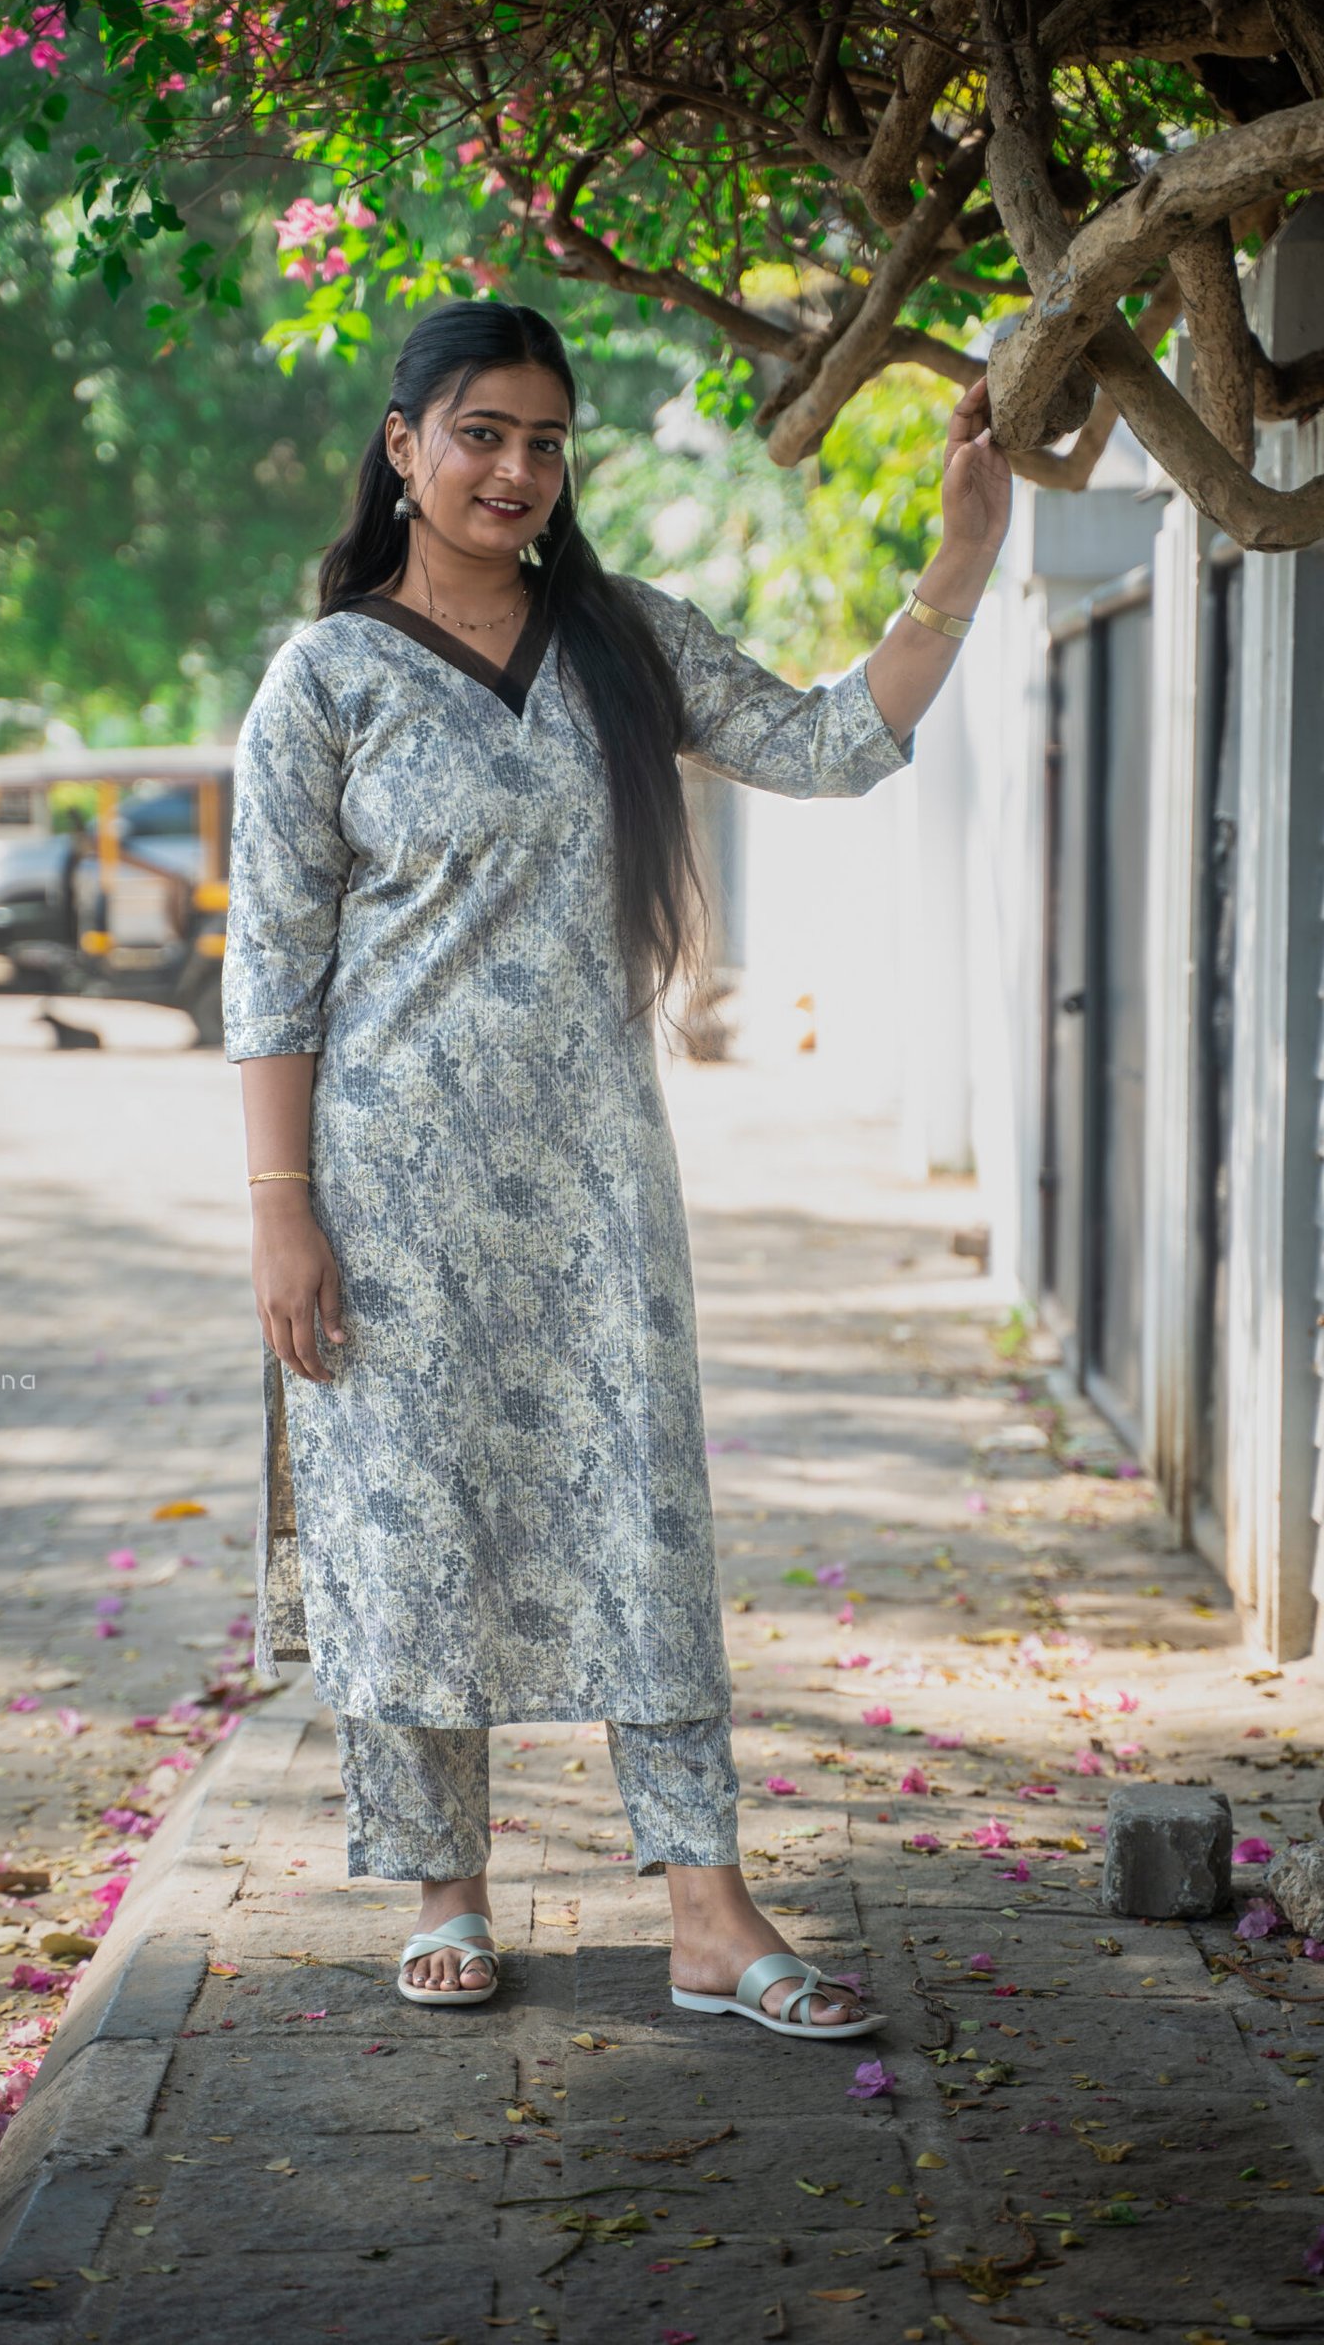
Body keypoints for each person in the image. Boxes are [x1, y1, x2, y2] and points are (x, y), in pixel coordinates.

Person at [224, 300, 1010, 2038]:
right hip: (387, 1190)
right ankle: (442, 1891)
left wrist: (958, 562)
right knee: (412, 1518)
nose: (516, 470)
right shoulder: (327, 679)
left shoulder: (623, 641)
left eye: (546, 441)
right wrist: (282, 1214)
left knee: (644, 1515)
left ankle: (708, 1915)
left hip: (595, 1184)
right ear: (405, 446)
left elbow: (826, 743)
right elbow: (270, 970)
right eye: (482, 433)